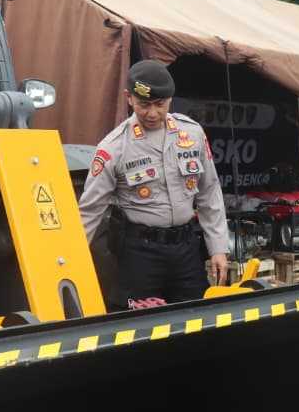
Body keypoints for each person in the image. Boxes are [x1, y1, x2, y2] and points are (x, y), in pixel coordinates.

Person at [79, 59, 229, 307]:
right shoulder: (113, 147)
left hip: (186, 249)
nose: (152, 113)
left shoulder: (191, 134)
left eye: (160, 104)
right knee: (137, 329)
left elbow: (209, 192)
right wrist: (71, 262)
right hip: (140, 254)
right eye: (144, 105)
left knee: (196, 319)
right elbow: (91, 209)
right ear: (129, 98)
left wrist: (218, 247)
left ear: (170, 99)